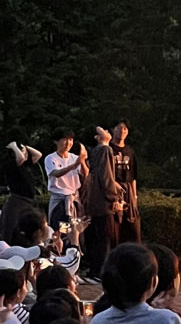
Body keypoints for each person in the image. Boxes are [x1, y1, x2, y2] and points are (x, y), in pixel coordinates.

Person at [82, 126, 121, 283]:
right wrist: (115, 196)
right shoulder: (104, 150)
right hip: (104, 203)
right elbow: (106, 179)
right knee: (104, 238)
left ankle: (95, 270)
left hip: (96, 202)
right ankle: (99, 272)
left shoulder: (98, 151)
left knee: (98, 237)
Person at [44, 128, 89, 250]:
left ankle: (75, 252)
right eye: (65, 140)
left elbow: (85, 173)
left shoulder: (74, 157)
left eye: (71, 140)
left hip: (74, 201)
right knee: (60, 230)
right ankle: (59, 253)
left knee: (75, 230)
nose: (68, 143)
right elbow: (56, 173)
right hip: (60, 202)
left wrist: (82, 161)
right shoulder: (50, 158)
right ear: (56, 141)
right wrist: (74, 165)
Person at [0, 129, 43, 244]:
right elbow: (20, 158)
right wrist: (14, 146)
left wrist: (26, 147)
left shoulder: (25, 165)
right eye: (22, 151)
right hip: (18, 199)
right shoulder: (10, 165)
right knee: (11, 227)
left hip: (29, 200)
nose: (25, 154)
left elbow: (38, 155)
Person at [109, 120, 141, 245]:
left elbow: (133, 177)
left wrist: (134, 197)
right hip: (113, 189)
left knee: (132, 226)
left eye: (125, 129)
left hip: (128, 189)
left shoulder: (130, 152)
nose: (122, 131)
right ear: (113, 129)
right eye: (119, 128)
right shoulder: (108, 149)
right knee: (116, 225)